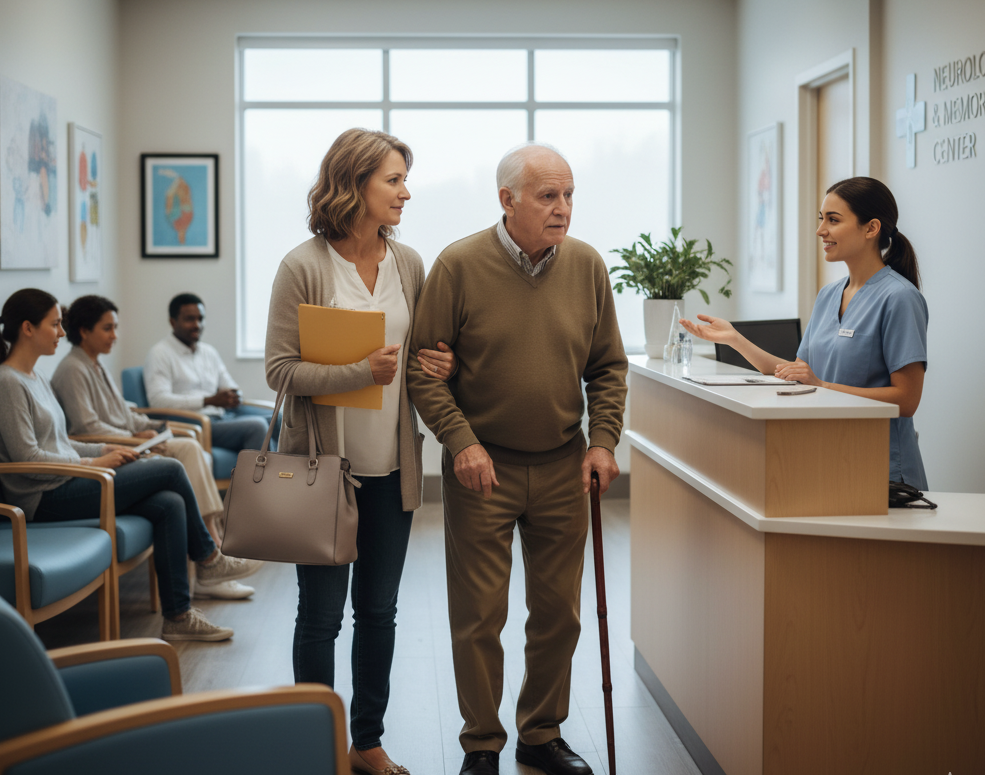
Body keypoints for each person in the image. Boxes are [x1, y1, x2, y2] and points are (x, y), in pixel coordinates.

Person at [407, 143, 629, 775]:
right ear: (507, 200)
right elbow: (426, 372)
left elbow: (608, 368)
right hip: (484, 470)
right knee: (479, 615)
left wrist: (604, 440)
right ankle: (481, 743)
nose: (563, 209)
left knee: (558, 614)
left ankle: (541, 733)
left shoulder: (586, 266)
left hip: (563, 464)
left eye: (568, 195)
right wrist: (461, 442)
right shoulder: (458, 265)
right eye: (547, 196)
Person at [264, 127, 457, 775]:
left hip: (393, 468)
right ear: (354, 183)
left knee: (379, 611)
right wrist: (355, 371)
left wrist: (439, 361)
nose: (407, 192)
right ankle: (313, 744)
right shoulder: (303, 265)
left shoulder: (410, 264)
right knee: (320, 618)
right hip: (323, 471)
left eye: (405, 178)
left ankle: (366, 741)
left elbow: (424, 361)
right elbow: (280, 371)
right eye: (393, 180)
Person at [0, 289, 260, 641]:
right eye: (54, 325)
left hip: (67, 480)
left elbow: (62, 441)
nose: (61, 332)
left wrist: (106, 446)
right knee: (172, 469)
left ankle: (178, 616)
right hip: (41, 498)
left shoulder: (34, 378)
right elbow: (28, 461)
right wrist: (96, 460)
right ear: (27, 328)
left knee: (169, 504)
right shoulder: (6, 383)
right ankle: (208, 558)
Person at [682, 175, 929, 488]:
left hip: (884, 470)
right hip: (829, 457)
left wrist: (823, 385)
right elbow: (796, 373)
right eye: (821, 218)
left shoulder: (900, 298)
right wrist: (734, 339)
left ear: (871, 228)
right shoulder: (828, 295)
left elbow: (906, 400)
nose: (820, 230)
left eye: (833, 220)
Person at [51, 294, 253, 600]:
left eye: (115, 327)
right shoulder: (72, 370)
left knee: (188, 446)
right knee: (187, 450)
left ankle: (214, 550)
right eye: (108, 328)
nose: (115, 336)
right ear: (84, 331)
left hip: (124, 442)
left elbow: (124, 413)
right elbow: (86, 428)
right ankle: (214, 550)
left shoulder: (95, 365)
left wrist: (148, 429)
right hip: (108, 450)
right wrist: (133, 440)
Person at [144, 293, 275, 454]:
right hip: (196, 423)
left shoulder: (208, 352)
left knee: (278, 419)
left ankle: (289, 476)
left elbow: (228, 384)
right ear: (173, 322)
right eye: (189, 319)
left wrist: (234, 395)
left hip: (223, 416)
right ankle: (262, 479)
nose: (197, 325)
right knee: (257, 427)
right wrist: (207, 400)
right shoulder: (160, 354)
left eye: (200, 319)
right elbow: (158, 402)